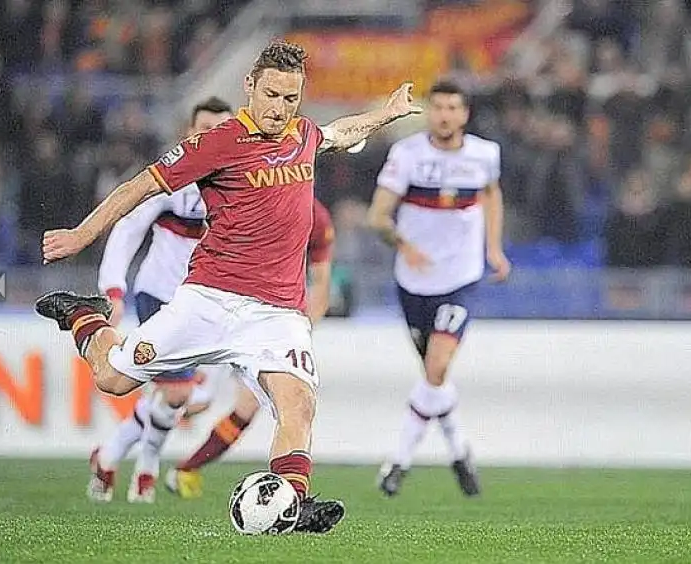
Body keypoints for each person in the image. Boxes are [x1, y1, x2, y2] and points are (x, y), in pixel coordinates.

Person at [35, 40, 420, 534]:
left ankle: (292, 504)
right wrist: (82, 235)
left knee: (297, 405)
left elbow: (338, 133)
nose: (281, 109)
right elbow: (140, 187)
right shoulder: (216, 142)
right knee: (112, 378)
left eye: (291, 98)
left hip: (278, 313)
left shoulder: (301, 133)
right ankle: (83, 317)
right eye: (272, 95)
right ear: (249, 86)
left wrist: (385, 114)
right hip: (211, 301)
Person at [367, 80, 510, 497]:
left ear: (465, 114)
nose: (445, 115)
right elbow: (377, 217)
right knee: (434, 380)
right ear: (429, 112)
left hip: (460, 281)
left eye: (453, 107)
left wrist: (494, 250)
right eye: (439, 107)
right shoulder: (407, 155)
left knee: (436, 368)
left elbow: (492, 196)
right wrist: (405, 246)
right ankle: (460, 451)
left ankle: (397, 463)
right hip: (413, 285)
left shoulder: (485, 155)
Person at [87, 97, 234, 503]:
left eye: (219, 128)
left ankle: (109, 454)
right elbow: (129, 228)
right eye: (202, 127)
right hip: (160, 295)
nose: (209, 135)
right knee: (175, 394)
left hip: (209, 302)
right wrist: (113, 288)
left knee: (192, 400)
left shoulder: (241, 180)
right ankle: (146, 467)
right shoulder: (174, 176)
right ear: (188, 132)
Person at [166, 199, 335, 499]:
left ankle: (186, 469)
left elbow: (322, 285)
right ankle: (149, 443)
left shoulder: (317, 219)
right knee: (193, 399)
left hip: (271, 327)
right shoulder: (253, 196)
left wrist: (300, 334)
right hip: (223, 312)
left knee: (250, 408)